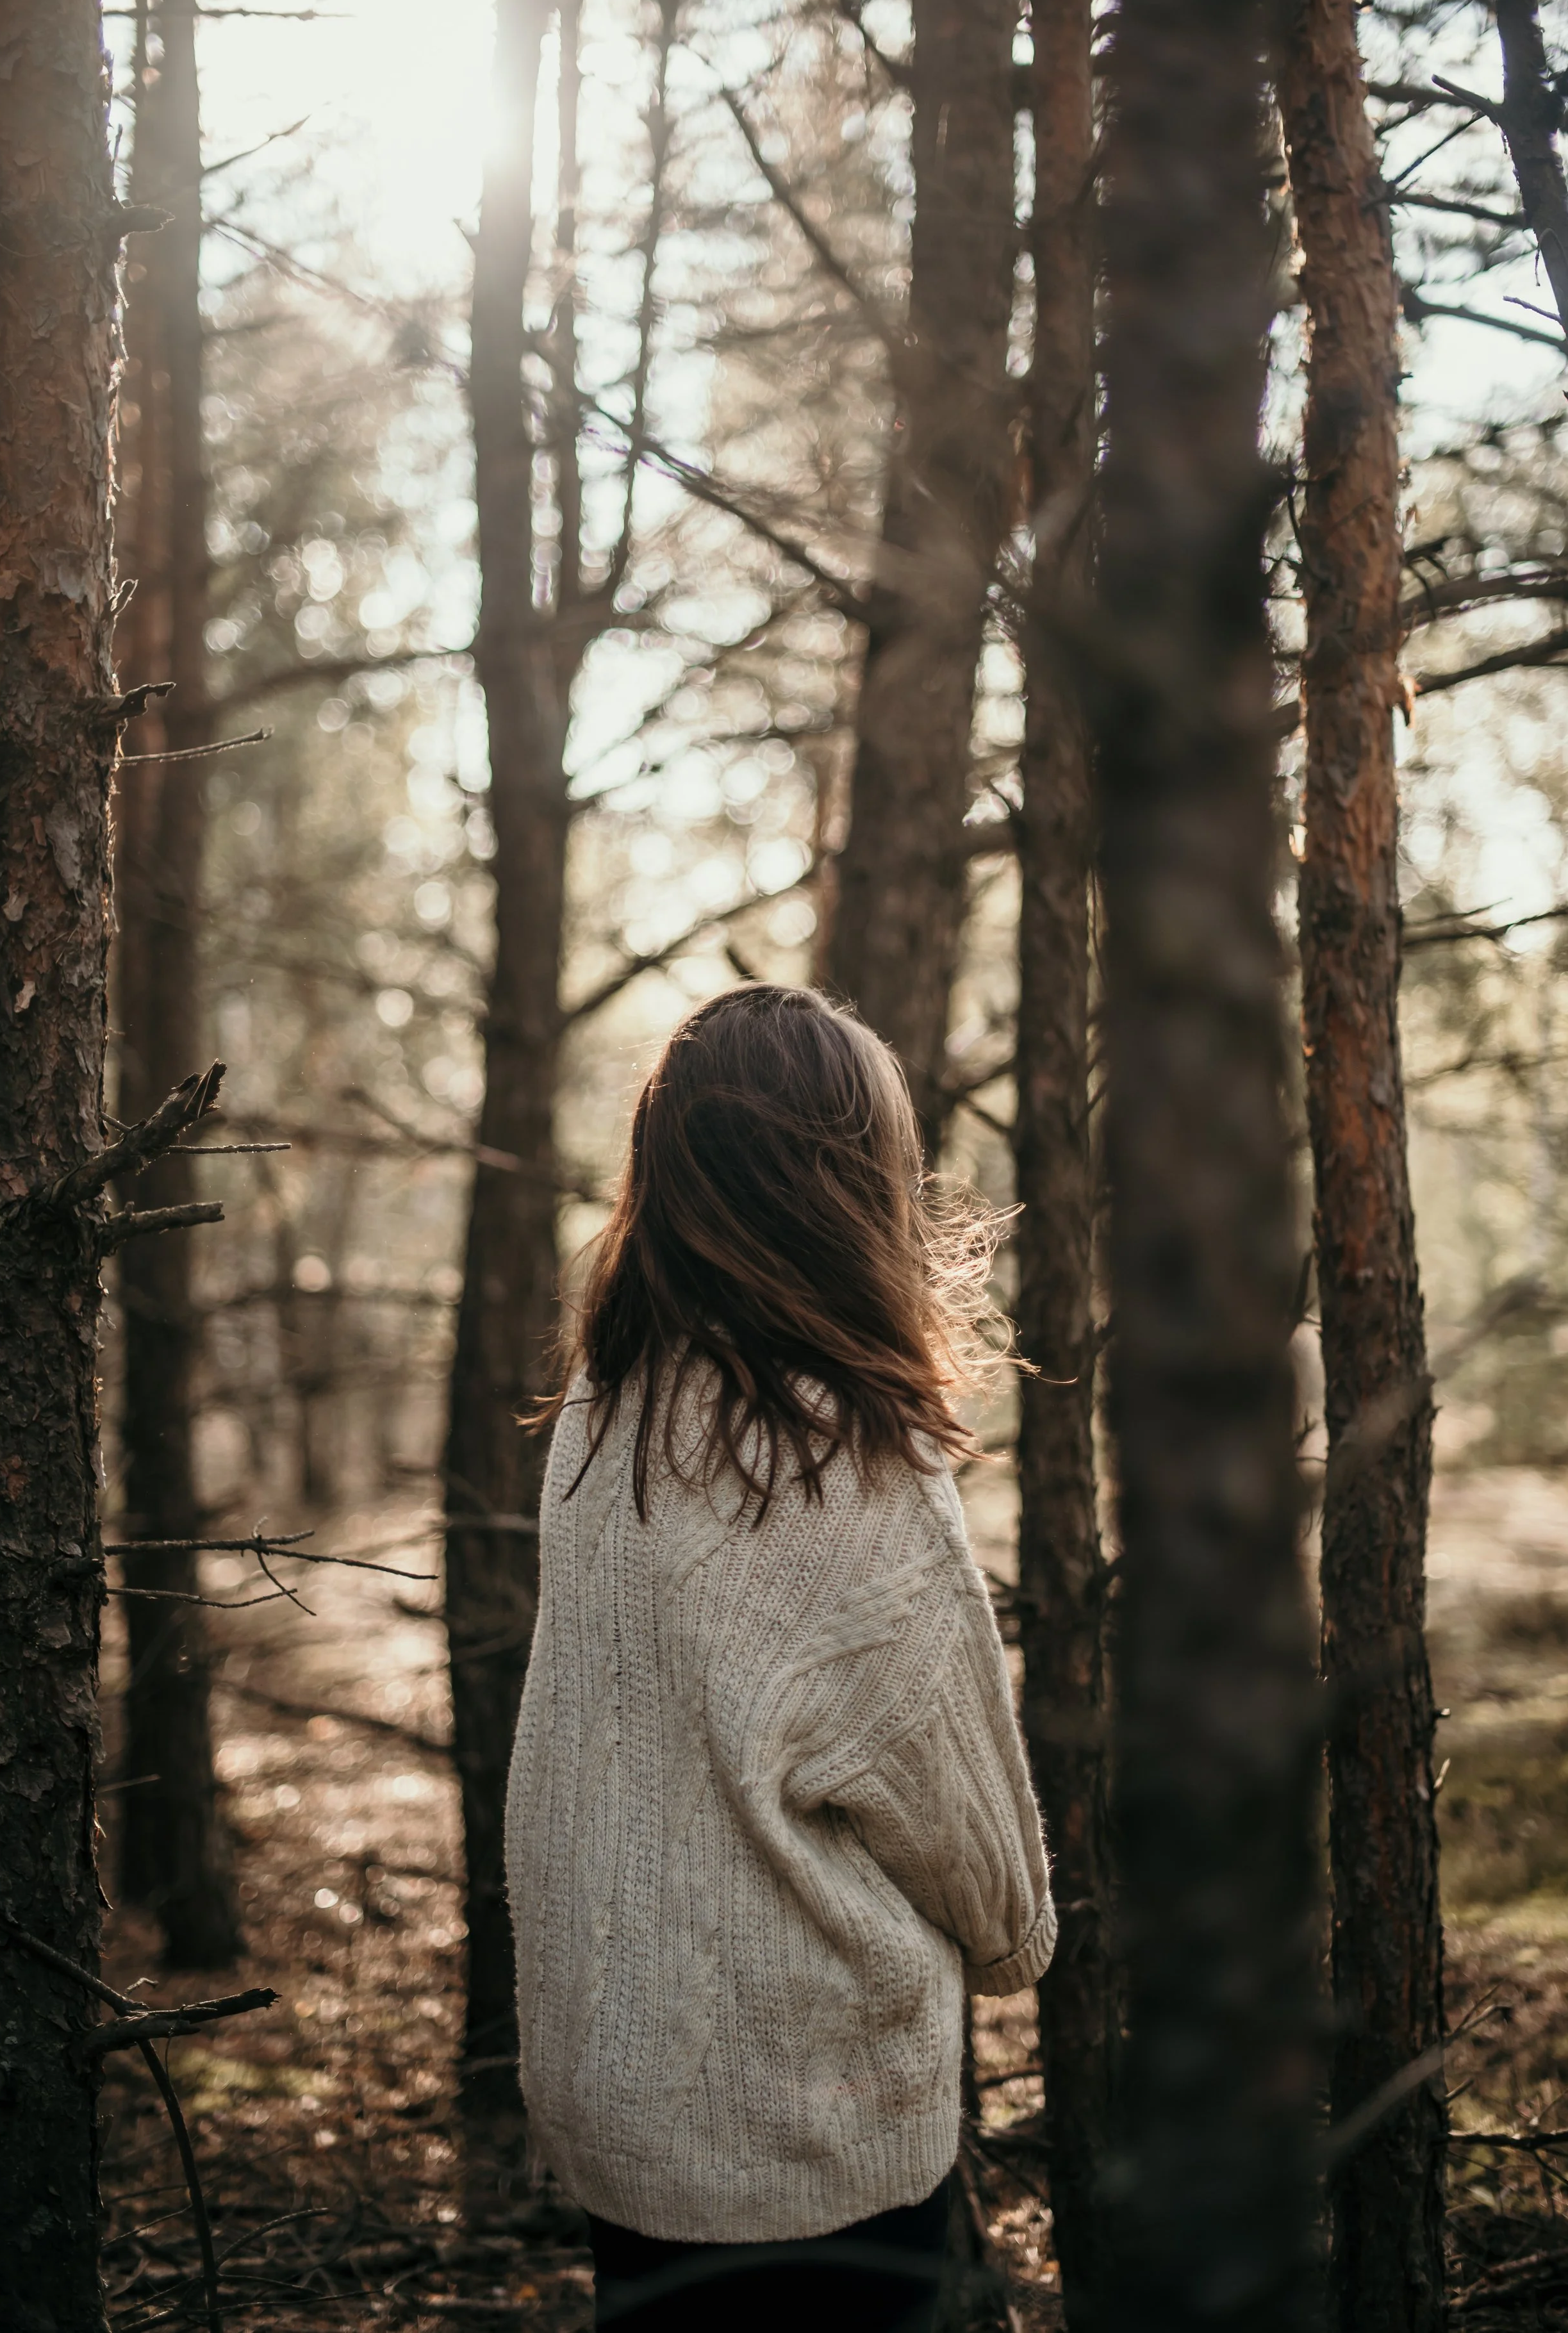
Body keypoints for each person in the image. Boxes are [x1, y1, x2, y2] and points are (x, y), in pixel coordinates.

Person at [506, 984, 1055, 2332]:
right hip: (810, 2123)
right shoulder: (844, 1452)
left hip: (620, 2092)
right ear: (846, 1182)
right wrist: (1015, 1939)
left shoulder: (609, 1399)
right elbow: (965, 1836)